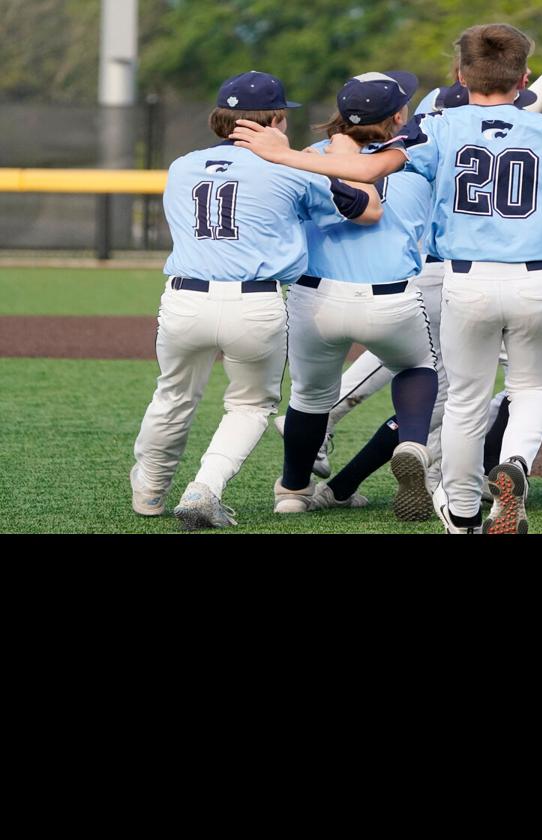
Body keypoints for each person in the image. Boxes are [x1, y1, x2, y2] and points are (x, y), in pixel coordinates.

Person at [230, 23, 542, 534]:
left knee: (465, 401)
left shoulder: (437, 126)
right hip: (539, 282)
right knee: (533, 390)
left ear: (459, 74)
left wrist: (283, 155)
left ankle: (463, 508)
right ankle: (513, 464)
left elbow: (368, 171)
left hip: (464, 282)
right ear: (525, 76)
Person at [130, 70, 380, 530]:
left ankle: (148, 492)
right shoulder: (289, 168)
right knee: (249, 407)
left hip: (184, 298)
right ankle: (205, 486)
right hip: (255, 303)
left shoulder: (182, 165)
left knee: (172, 397)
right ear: (276, 120)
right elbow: (364, 209)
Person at [273, 71, 441, 521]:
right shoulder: (419, 154)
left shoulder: (308, 157)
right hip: (392, 297)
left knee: (309, 398)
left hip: (315, 297)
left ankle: (292, 490)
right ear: (399, 115)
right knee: (417, 367)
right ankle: (411, 442)